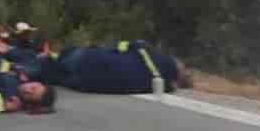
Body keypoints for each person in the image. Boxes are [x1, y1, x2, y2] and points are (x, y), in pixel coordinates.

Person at [42, 40, 194, 94]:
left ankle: (44, 58)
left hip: (90, 60)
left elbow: (122, 45)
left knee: (63, 57)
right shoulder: (163, 87)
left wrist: (104, 48)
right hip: (88, 85)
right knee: (53, 76)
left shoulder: (147, 50)